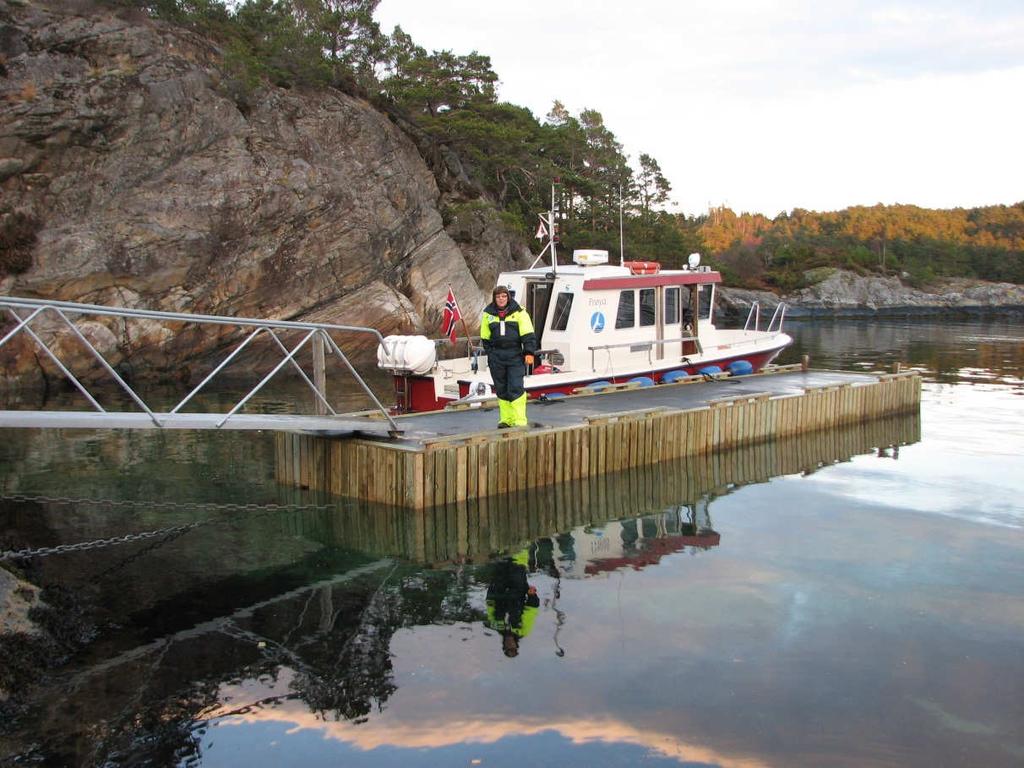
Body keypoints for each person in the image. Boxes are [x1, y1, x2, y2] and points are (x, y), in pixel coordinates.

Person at [480, 285, 538, 428]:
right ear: (494, 298)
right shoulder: (488, 314)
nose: (501, 299)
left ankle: (519, 420)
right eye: (498, 296)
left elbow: (528, 334)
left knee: (515, 387)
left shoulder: (519, 312)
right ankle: (506, 419)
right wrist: (491, 354)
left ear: (508, 297)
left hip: (515, 356)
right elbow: (485, 337)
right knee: (501, 388)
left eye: (504, 296)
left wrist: (529, 353)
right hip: (497, 358)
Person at [484, 551, 540, 658]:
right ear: (516, 645)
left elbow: (490, 604)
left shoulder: (496, 625)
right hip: (517, 589)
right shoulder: (523, 629)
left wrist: (492, 587)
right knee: (518, 562)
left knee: (500, 561)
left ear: (504, 645)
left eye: (508, 647)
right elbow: (532, 609)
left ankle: (500, 550)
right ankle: (521, 548)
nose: (510, 644)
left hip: (500, 588)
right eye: (513, 647)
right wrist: (532, 595)